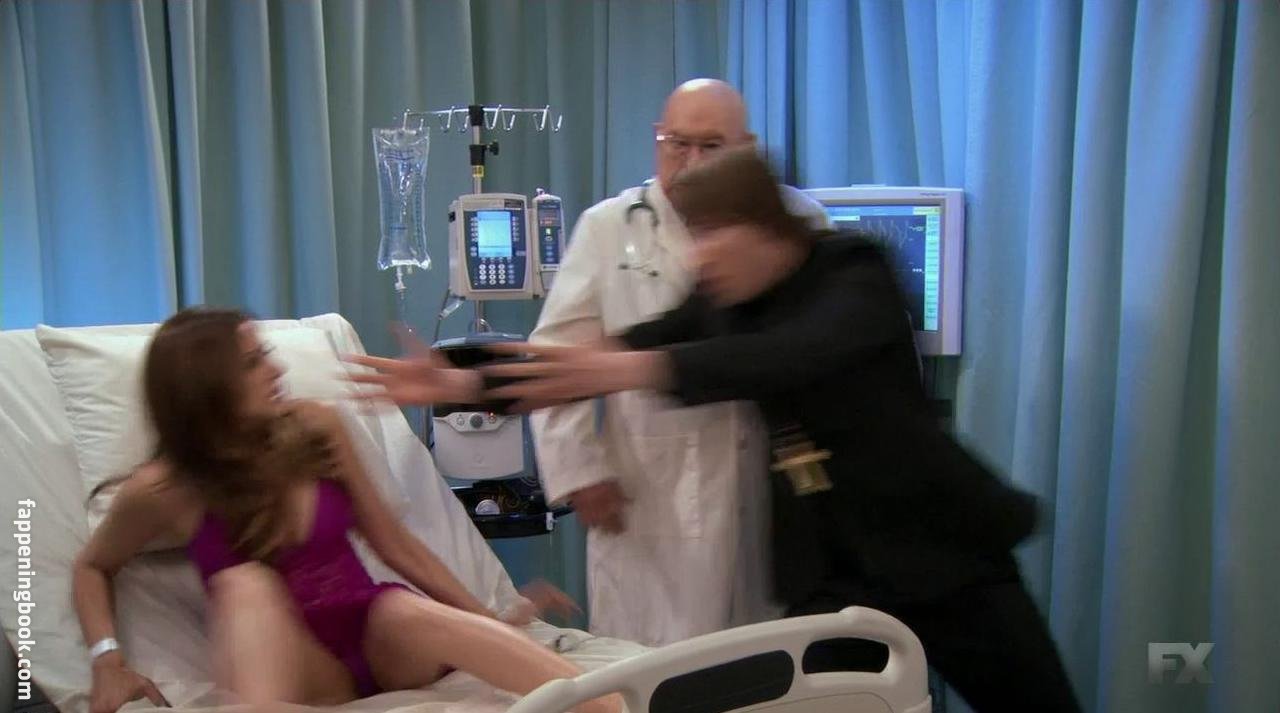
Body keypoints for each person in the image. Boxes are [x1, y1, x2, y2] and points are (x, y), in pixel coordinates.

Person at [461, 147, 1082, 712]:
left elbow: (786, 355)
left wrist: (624, 369)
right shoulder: (727, 300)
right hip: (836, 577)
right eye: (696, 235)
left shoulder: (854, 271)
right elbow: (624, 346)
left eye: (714, 234)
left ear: (765, 227)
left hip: (945, 554)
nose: (699, 256)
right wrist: (467, 383)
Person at [71, 308, 621, 713]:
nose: (274, 368)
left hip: (377, 637)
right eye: (253, 362)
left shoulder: (314, 427)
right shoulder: (164, 490)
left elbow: (393, 543)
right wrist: (107, 660)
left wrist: (487, 619)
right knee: (246, 586)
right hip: (298, 667)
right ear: (207, 389)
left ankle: (612, 704)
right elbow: (93, 567)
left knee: (401, 608)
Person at [525, 77, 831, 646]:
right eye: (677, 144)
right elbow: (561, 357)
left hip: (768, 488)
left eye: (711, 146)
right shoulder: (608, 227)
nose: (691, 162)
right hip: (647, 495)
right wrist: (579, 472)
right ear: (656, 139)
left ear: (747, 149)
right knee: (652, 665)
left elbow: (814, 355)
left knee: (766, 661)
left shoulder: (799, 223)